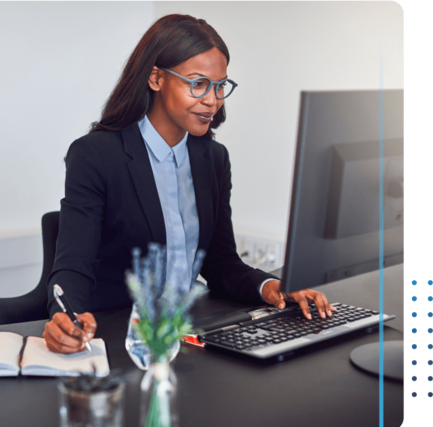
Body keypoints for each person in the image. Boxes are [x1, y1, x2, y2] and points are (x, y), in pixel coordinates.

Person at [42, 14, 336, 354]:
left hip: (192, 330)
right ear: (156, 78)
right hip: (120, 336)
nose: (213, 100)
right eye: (198, 84)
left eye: (220, 85)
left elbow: (220, 262)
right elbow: (73, 266)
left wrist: (272, 286)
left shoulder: (212, 159)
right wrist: (67, 316)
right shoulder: (96, 155)